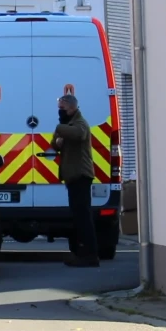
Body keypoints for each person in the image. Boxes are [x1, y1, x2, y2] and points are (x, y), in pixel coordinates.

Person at [52, 94, 99, 268]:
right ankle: (81, 253)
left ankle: (90, 254)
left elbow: (78, 134)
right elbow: (55, 143)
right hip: (73, 177)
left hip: (81, 176)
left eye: (62, 109)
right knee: (78, 217)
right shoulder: (68, 124)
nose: (60, 112)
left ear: (72, 108)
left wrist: (59, 128)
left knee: (83, 217)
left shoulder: (80, 123)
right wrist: (60, 133)